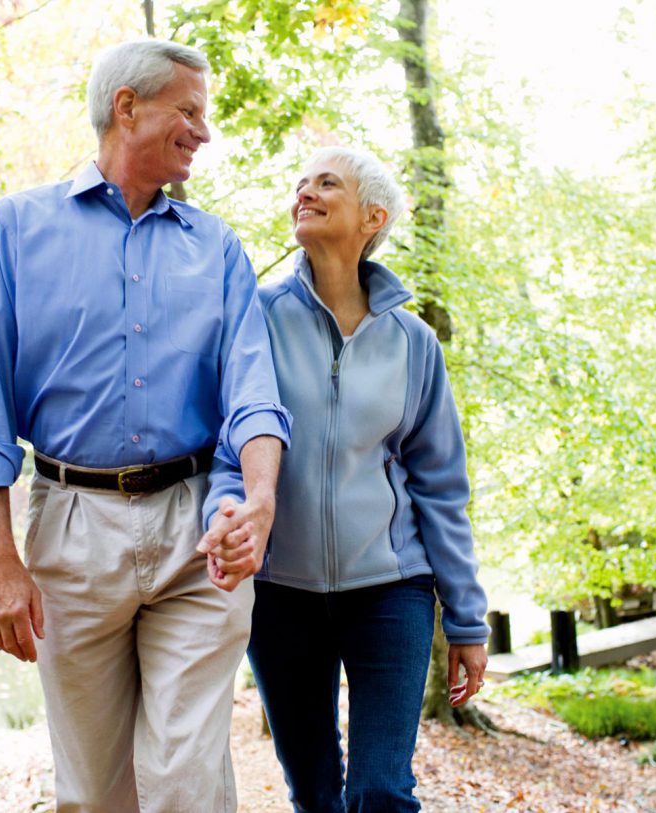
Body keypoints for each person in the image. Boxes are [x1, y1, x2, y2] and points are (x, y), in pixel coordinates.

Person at [0, 40, 291, 813]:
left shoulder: (217, 247)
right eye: (190, 111)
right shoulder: (13, 227)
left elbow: (254, 395)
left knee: (183, 781)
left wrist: (261, 500)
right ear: (126, 107)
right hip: (70, 527)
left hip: (197, 524)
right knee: (95, 789)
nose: (203, 131)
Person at [242, 147, 488, 812]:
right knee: (314, 791)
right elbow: (226, 443)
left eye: (326, 184)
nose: (305, 193)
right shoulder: (255, 319)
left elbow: (440, 486)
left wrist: (467, 619)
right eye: (299, 184)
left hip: (391, 591)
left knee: (381, 789)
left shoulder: (412, 343)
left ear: (372, 216)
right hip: (278, 593)